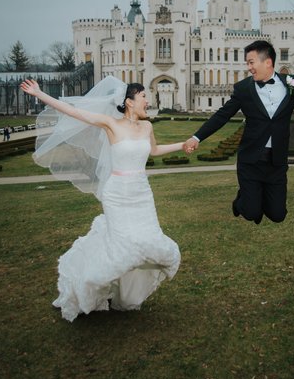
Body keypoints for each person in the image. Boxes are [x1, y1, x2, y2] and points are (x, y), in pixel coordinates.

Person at [21, 76, 188, 322]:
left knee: (147, 241)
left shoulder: (147, 127)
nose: (147, 101)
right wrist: (39, 94)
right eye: (143, 96)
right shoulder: (110, 124)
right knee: (122, 246)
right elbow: (74, 111)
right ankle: (89, 281)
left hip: (141, 193)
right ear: (129, 101)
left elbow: (154, 151)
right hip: (117, 194)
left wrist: (182, 144)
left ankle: (128, 294)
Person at [183, 40, 294, 226]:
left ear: (267, 62)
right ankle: (242, 200)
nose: (249, 67)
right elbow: (222, 115)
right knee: (250, 211)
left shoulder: (291, 84)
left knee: (278, 215)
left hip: (276, 162)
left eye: (251, 62)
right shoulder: (243, 89)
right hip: (251, 160)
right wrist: (197, 137)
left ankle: (253, 197)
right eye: (248, 63)